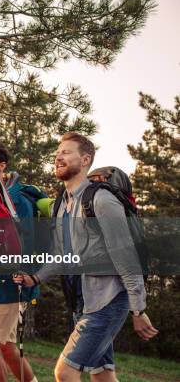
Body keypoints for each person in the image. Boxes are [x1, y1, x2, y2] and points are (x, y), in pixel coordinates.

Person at [14, 132, 158, 382]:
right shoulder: (61, 205)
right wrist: (36, 278)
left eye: (67, 152)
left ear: (85, 160)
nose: (59, 156)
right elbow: (62, 255)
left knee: (65, 371)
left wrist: (138, 308)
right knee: (102, 374)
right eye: (58, 152)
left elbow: (125, 255)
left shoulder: (101, 200)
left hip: (109, 299)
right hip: (83, 300)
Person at [0, 141, 39, 382]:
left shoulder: (17, 199)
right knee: (6, 347)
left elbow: (25, 247)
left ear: (1, 165)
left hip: (11, 283)